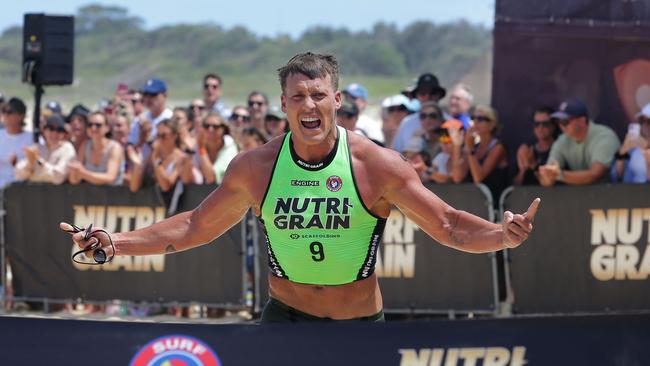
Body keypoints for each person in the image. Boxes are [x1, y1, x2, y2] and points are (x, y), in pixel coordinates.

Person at [63, 52, 539, 323]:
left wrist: (502, 235)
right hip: (285, 320)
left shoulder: (377, 164)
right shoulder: (256, 167)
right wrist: (115, 242)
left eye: (318, 95)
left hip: (358, 326)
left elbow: (450, 225)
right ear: (284, 105)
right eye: (297, 97)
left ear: (337, 99)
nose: (308, 105)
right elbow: (192, 226)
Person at [538, 98, 620, 186]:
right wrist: (548, 175)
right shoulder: (562, 140)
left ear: (582, 120)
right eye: (559, 121)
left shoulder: (604, 136)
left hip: (613, 195)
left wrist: (559, 175)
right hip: (581, 196)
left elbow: (595, 174)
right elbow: (546, 181)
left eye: (565, 121)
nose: (561, 125)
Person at [451, 105, 509, 203]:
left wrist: (469, 149)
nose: (476, 122)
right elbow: (457, 177)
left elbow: (478, 178)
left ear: (492, 124)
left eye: (481, 119)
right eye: (474, 118)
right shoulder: (473, 146)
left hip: (493, 205)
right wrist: (457, 146)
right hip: (474, 203)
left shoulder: (498, 148)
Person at [391, 73, 447, 152]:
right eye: (423, 93)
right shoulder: (407, 123)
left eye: (433, 92)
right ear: (417, 96)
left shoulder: (450, 123)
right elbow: (396, 152)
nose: (428, 97)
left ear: (439, 95)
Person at [15, 115, 76, 184]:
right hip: (33, 191)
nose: (54, 133)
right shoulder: (38, 147)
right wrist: (29, 165)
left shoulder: (67, 149)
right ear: (44, 131)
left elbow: (58, 177)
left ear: (63, 134)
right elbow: (18, 175)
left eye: (59, 130)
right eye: (51, 128)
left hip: (57, 192)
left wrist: (39, 162)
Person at [68, 111, 125, 186]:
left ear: (107, 128)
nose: (93, 128)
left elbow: (110, 177)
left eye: (98, 125)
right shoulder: (85, 146)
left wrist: (83, 173)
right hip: (91, 195)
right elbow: (74, 181)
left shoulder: (114, 148)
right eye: (90, 125)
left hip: (114, 195)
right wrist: (73, 172)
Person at [513, 106, 558, 185]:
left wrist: (534, 165)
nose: (540, 127)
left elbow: (549, 184)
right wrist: (523, 169)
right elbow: (515, 186)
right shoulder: (527, 150)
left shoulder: (559, 150)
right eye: (536, 124)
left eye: (545, 124)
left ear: (553, 126)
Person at [611, 103, 650, 183]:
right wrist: (624, 149)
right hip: (631, 193)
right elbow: (617, 175)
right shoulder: (634, 149)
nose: (645, 125)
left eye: (649, 122)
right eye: (642, 121)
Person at [0, 98, 33, 188]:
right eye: (4, 111)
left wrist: (18, 163)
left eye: (10, 112)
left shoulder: (32, 138)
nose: (6, 115)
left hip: (22, 189)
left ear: (21, 116)